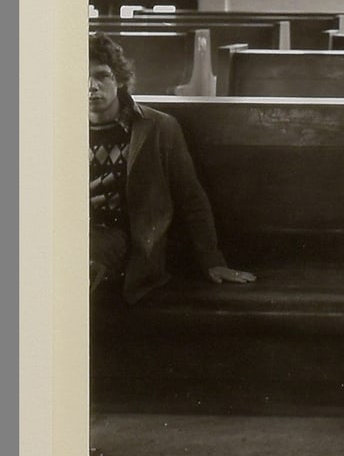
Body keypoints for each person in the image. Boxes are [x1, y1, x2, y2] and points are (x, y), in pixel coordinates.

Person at [89, 32, 256, 304]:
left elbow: (191, 197)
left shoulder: (158, 127)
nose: (91, 86)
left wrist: (212, 261)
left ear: (118, 79)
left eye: (102, 76)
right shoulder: (57, 127)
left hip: (128, 246)